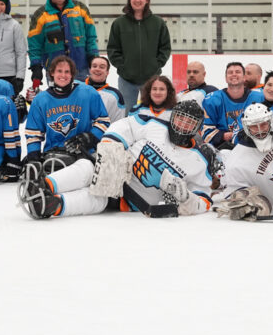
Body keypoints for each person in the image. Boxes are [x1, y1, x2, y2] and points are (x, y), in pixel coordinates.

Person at [18, 100, 214, 220]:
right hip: (116, 169)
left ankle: (52, 205)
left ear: (197, 128)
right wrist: (113, 144)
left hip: (135, 200)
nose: (182, 125)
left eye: (190, 123)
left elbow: (205, 201)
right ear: (173, 117)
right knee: (88, 169)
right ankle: (43, 185)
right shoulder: (155, 125)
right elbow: (125, 126)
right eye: (180, 118)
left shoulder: (199, 161)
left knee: (98, 201)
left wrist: (187, 197)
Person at [23, 56, 109, 162]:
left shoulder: (88, 93)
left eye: (67, 72)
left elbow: (104, 121)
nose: (63, 75)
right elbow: (33, 132)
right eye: (59, 71)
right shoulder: (40, 100)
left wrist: (90, 137)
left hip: (83, 155)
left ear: (72, 74)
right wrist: (33, 155)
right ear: (52, 73)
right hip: (52, 156)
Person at [27, 0, 98, 86]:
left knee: (82, 101)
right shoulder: (40, 14)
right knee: (57, 102)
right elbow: (34, 45)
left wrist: (93, 56)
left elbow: (91, 36)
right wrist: (36, 67)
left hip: (81, 68)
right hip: (54, 71)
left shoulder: (80, 8)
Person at [106, 0, 171, 107]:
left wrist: (156, 65)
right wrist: (123, 67)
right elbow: (113, 49)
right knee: (127, 115)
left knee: (151, 113)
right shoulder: (119, 23)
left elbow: (165, 47)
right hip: (127, 80)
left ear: (147, 0)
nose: (137, 0)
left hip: (152, 79)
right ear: (129, 0)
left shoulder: (158, 23)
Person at [201, 61, 261, 149]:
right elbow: (206, 132)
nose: (234, 74)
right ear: (225, 78)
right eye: (230, 72)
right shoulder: (212, 99)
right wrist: (227, 136)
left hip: (251, 148)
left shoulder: (258, 97)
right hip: (221, 150)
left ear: (244, 77)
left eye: (237, 72)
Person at [86, 55, 126, 124]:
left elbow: (118, 124)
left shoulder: (115, 96)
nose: (97, 69)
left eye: (102, 67)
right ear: (90, 70)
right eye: (94, 66)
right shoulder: (78, 89)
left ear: (107, 72)